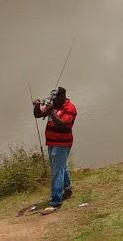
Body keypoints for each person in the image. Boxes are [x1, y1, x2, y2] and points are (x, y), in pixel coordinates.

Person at [32, 87, 77, 215]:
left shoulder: (70, 108)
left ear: (62, 97)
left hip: (62, 144)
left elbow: (64, 125)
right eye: (52, 98)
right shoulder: (54, 105)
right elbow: (38, 115)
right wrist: (37, 106)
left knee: (57, 171)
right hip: (51, 142)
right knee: (60, 167)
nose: (53, 101)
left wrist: (51, 112)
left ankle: (55, 202)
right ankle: (67, 189)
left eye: (55, 98)